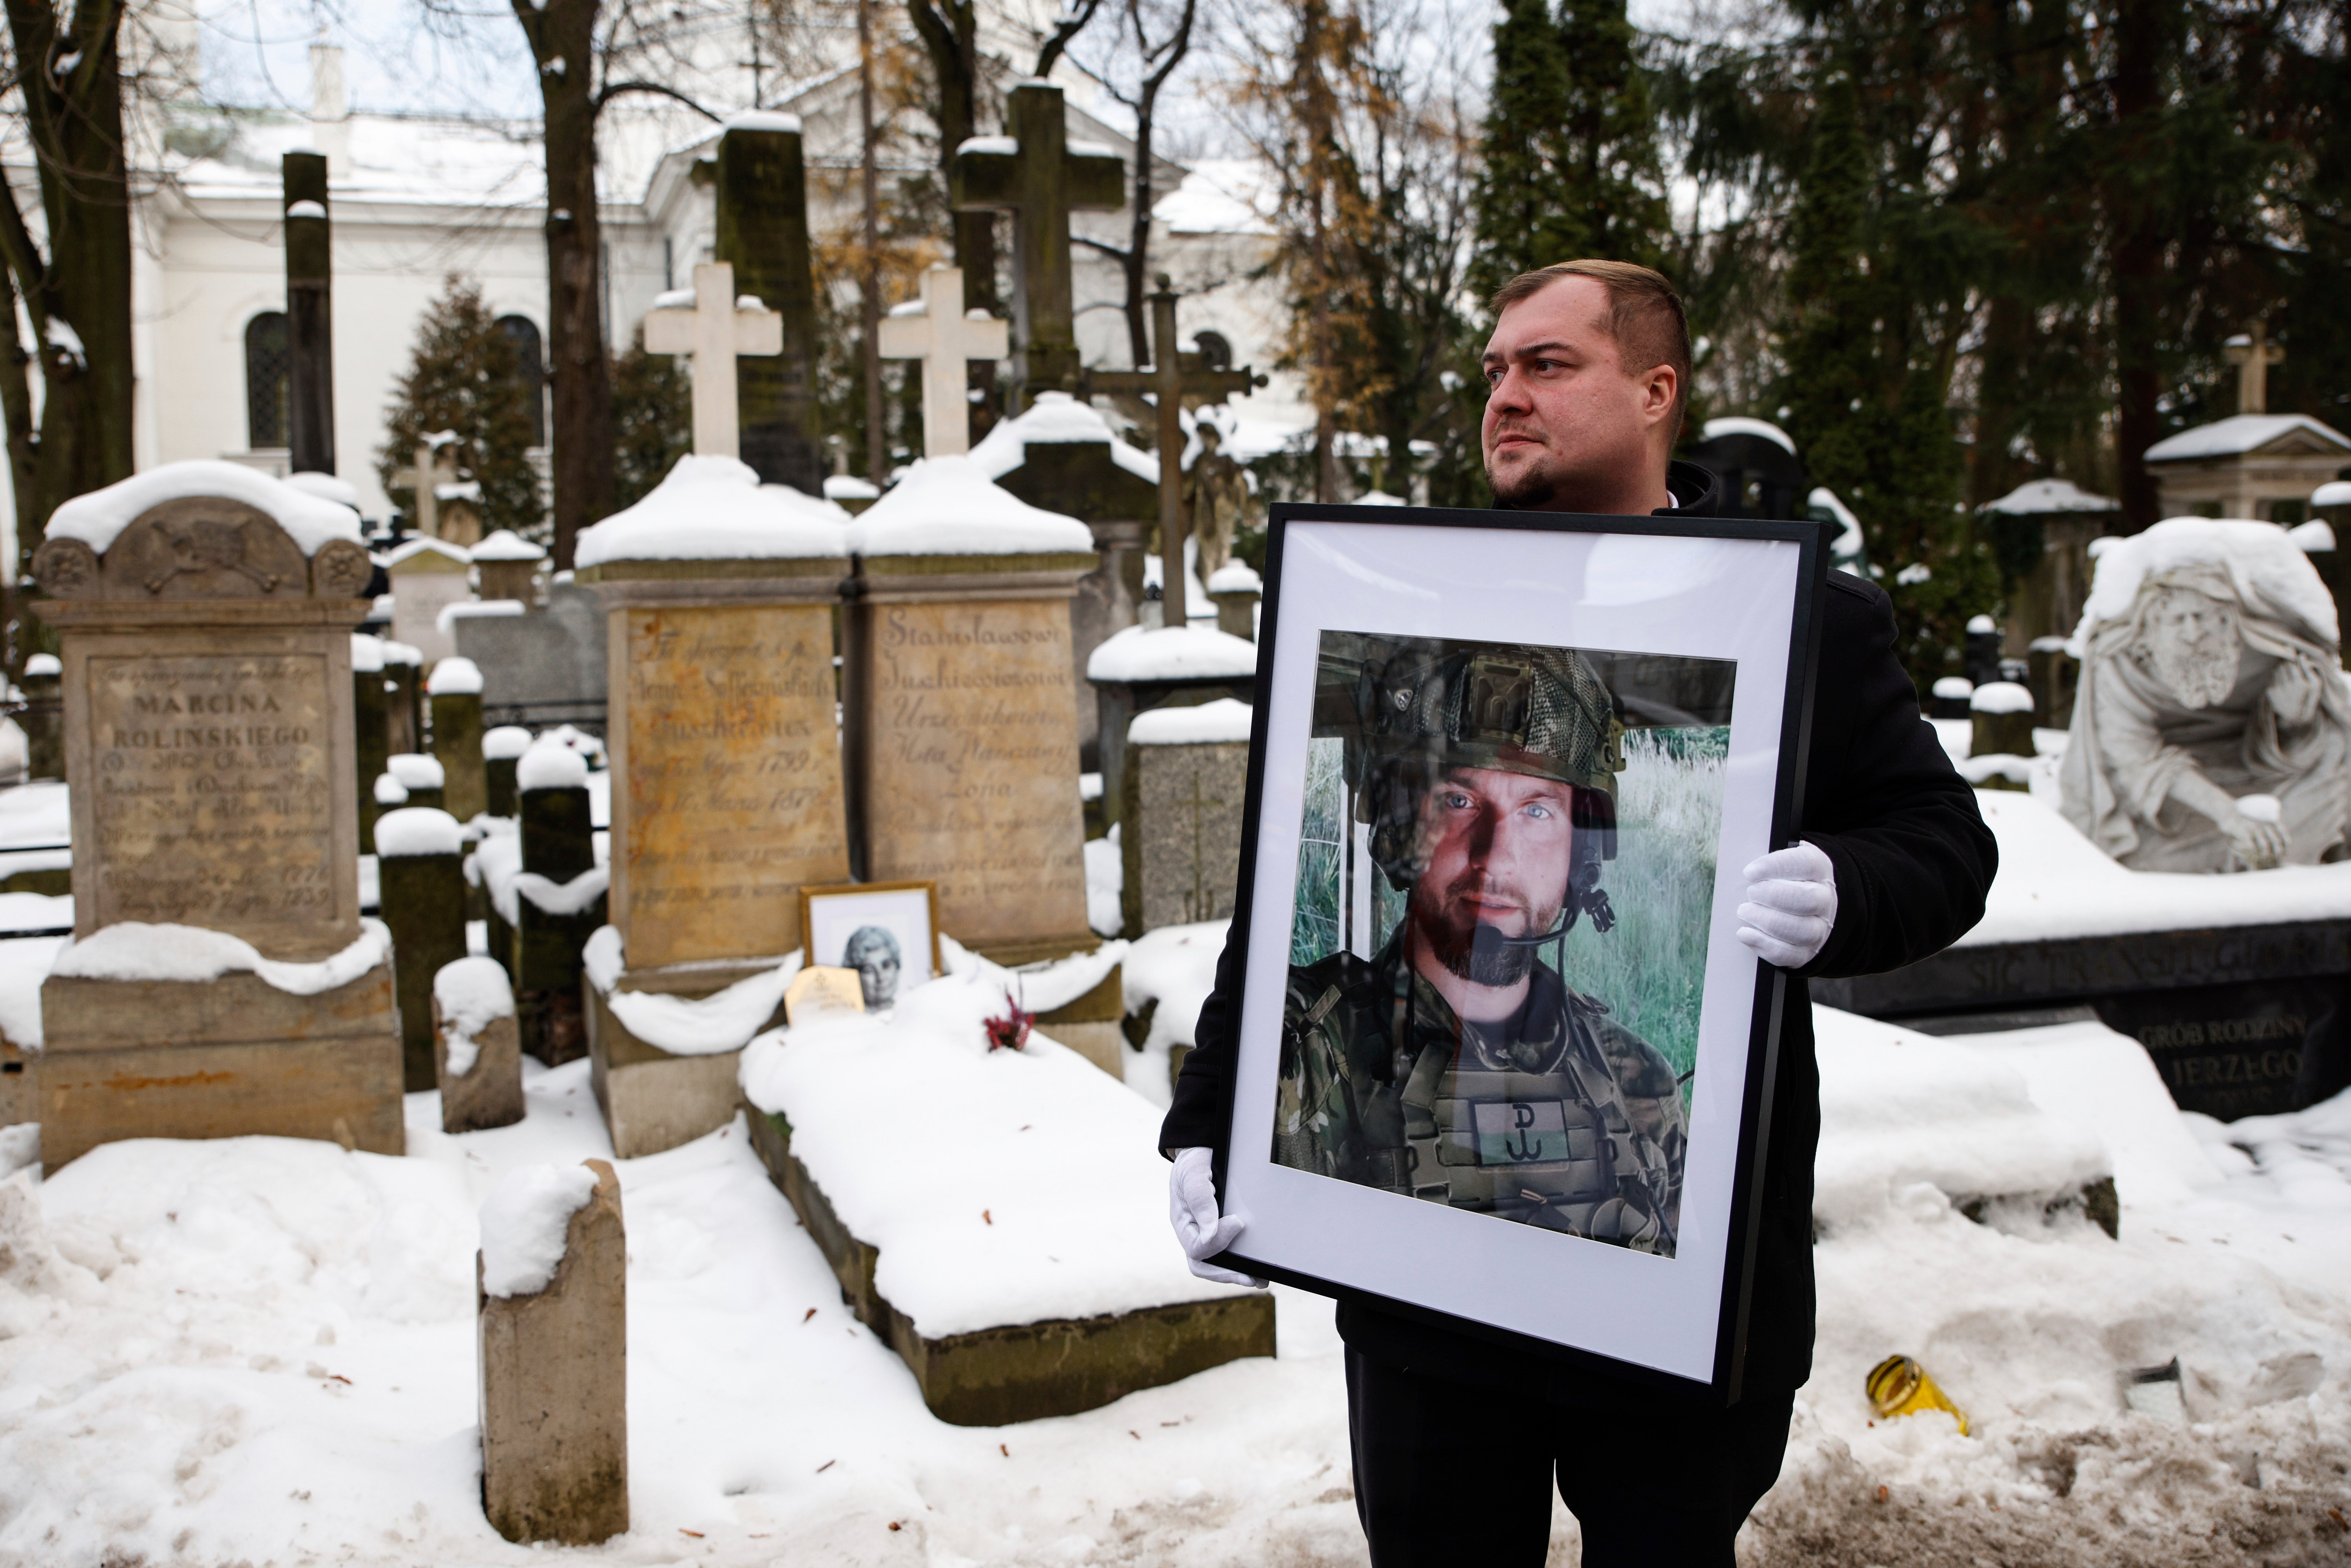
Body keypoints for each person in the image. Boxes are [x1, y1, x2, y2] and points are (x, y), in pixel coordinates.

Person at [1161, 258, 1998, 1567]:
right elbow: (1265, 900)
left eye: (1547, 365)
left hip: (1675, 1315)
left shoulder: (1799, 628)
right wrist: (1214, 1117)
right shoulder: (1403, 599)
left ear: (1655, 388)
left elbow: (1946, 844)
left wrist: (1850, 883)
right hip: (1427, 1312)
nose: (1507, 394)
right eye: (1495, 368)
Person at [1274, 639, 1686, 1252]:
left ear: (1583, 855)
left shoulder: (1638, 1081)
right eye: (1459, 800)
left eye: (1537, 811)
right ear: (1398, 827)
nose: (1495, 854)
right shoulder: (1311, 1048)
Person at [2058, 528, 2351, 872]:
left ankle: (2283, 855)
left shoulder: (2269, 652)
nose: (2192, 634)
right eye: (2177, 619)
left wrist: (2292, 718)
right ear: (2152, 622)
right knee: (2147, 858)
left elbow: (2334, 731)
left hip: (2262, 774)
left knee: (2327, 773)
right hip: (2180, 797)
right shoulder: (2122, 662)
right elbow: (2134, 757)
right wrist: (2228, 814)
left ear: (2228, 618)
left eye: (2203, 617)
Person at [842, 925, 902, 1011]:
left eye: (886, 966)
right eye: (869, 970)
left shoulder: (913, 1013)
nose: (881, 977)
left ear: (897, 966)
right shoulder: (848, 1020)